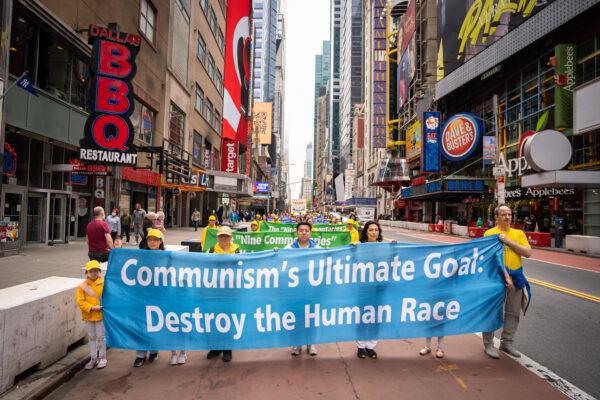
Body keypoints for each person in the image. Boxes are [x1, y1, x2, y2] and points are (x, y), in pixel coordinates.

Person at [482, 205, 532, 359]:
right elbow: (488, 257)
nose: (507, 217)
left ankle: (507, 343)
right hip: (496, 279)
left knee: (513, 312)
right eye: (503, 214)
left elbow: (527, 252)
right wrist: (504, 276)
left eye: (509, 214)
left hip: (516, 278)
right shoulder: (489, 233)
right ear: (496, 217)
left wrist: (508, 241)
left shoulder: (518, 233)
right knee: (492, 310)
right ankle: (488, 344)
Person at [134, 229, 171, 367]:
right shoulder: (142, 256)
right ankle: (140, 354)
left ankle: (154, 351)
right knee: (142, 324)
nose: (152, 242)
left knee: (155, 323)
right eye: (150, 240)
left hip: (159, 296)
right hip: (143, 295)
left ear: (161, 242)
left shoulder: (167, 257)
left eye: (156, 240)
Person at [285, 221, 321, 357]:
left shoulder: (317, 249)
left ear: (310, 232)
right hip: (295, 290)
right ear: (297, 232)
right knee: (296, 317)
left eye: (306, 230)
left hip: (312, 289)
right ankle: (296, 344)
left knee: (311, 317)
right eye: (301, 230)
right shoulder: (288, 248)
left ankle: (311, 344)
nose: (304, 232)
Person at [206, 226, 240, 363]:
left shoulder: (237, 251)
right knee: (214, 318)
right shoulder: (211, 251)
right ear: (217, 237)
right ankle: (216, 347)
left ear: (231, 237)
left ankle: (227, 349)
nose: (224, 238)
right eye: (221, 236)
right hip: (214, 290)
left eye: (226, 236)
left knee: (228, 318)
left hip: (231, 291)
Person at [356, 221, 383, 359]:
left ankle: (370, 346)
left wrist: (395, 249)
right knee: (362, 317)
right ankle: (360, 347)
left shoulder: (385, 248)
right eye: (371, 230)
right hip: (363, 288)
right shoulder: (358, 248)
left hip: (379, 289)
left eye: (376, 230)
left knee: (376, 318)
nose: (373, 232)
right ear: (366, 232)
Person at [77, 260, 107, 369]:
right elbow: (80, 301)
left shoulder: (104, 283)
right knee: (92, 337)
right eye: (91, 271)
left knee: (101, 337)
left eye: (96, 271)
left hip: (100, 315)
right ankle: (93, 358)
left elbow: (108, 297)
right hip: (89, 316)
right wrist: (91, 308)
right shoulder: (82, 286)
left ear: (99, 272)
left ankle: (102, 357)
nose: (94, 273)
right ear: (86, 272)